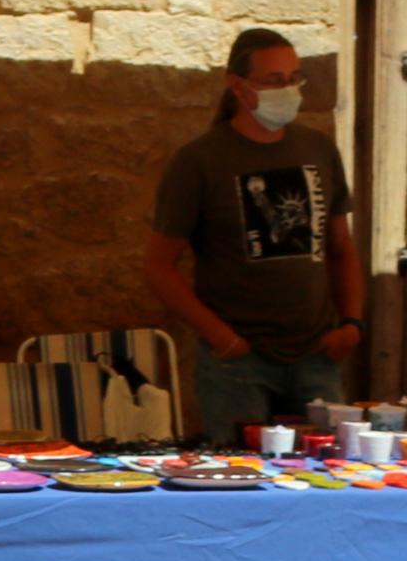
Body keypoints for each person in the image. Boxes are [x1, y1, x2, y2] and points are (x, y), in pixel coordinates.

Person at [145, 25, 363, 433]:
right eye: (274, 80)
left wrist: (352, 324)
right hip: (239, 365)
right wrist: (222, 338)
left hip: (317, 354)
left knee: (329, 479)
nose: (289, 89)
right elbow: (159, 266)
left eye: (294, 78)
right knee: (238, 480)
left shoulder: (317, 149)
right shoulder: (199, 162)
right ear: (238, 86)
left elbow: (341, 247)